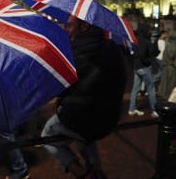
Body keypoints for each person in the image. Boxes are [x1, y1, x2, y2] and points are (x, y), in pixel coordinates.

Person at [41, 16, 127, 178]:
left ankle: (81, 174)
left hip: (81, 117)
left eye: (70, 26)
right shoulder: (112, 47)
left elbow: (57, 88)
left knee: (46, 136)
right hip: (109, 118)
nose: (67, 30)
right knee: (84, 136)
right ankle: (96, 172)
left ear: (85, 26)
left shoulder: (75, 51)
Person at [128, 23, 158, 118]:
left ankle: (131, 109)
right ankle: (154, 110)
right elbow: (149, 54)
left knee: (135, 89)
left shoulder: (135, 40)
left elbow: (133, 53)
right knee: (151, 88)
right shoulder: (146, 41)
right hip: (144, 67)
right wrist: (148, 61)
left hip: (136, 67)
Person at [158, 30, 176, 100]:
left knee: (166, 89)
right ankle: (171, 107)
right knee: (173, 91)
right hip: (173, 72)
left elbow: (163, 58)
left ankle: (165, 104)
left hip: (166, 70)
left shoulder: (167, 46)